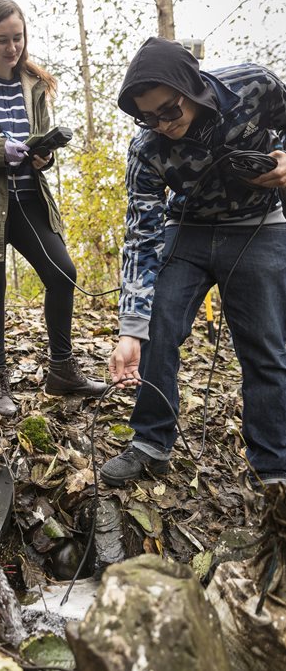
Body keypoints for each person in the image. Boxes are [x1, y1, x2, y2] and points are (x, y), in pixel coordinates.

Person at [101, 36, 286, 488]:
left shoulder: (254, 85)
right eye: (147, 116)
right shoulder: (145, 148)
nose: (161, 124)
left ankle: (274, 467)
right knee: (157, 327)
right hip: (186, 230)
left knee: (266, 348)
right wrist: (130, 328)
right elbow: (142, 235)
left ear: (193, 88)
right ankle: (151, 442)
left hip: (259, 226)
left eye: (169, 110)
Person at [0, 0, 107, 415]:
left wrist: (43, 155)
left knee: (63, 273)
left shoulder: (33, 82)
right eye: (2, 40)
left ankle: (62, 370)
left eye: (18, 38)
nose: (12, 48)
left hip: (27, 199)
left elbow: (40, 139)